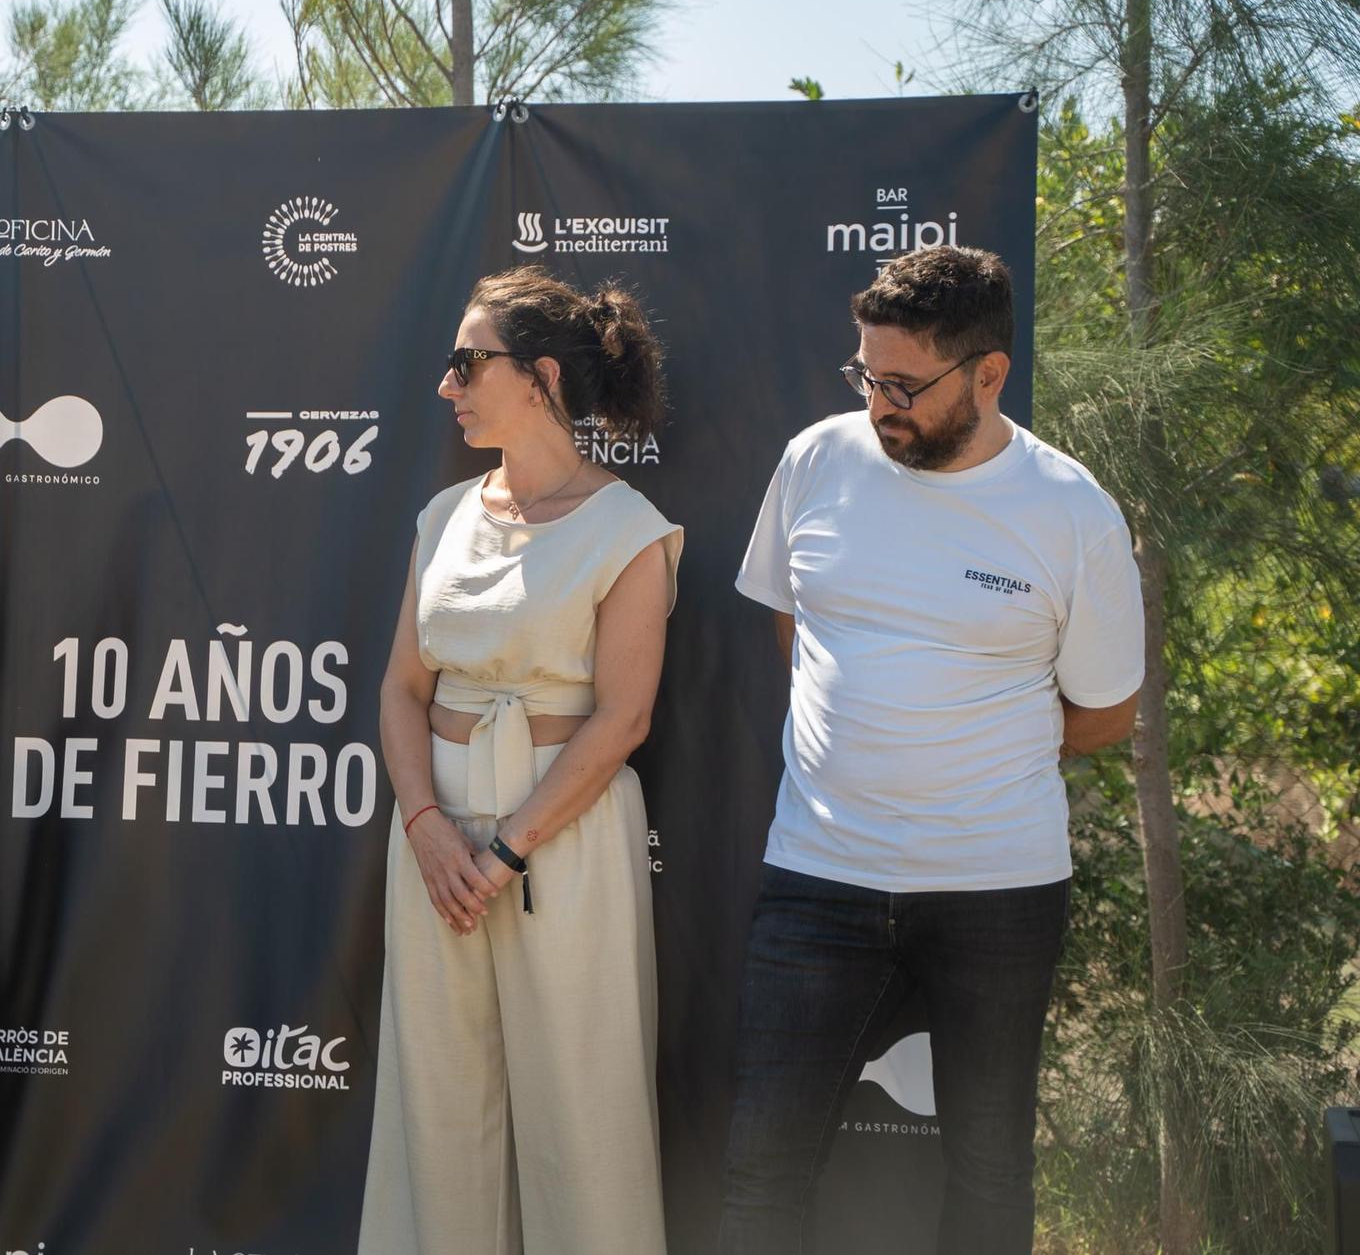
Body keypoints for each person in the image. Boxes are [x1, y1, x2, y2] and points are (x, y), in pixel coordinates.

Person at [719, 245, 1144, 1252]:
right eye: (865, 375)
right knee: (760, 1166)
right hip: (815, 876)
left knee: (988, 1167)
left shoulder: (1069, 510)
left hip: (995, 889)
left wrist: (961, 762)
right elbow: (796, 626)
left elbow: (1101, 716)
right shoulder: (813, 458)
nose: (877, 403)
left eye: (903, 384)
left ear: (988, 375)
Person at [359, 265, 682, 1255]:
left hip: (561, 845)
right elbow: (400, 690)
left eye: (467, 363)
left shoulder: (630, 528)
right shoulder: (442, 517)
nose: (445, 385)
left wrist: (506, 851)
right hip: (433, 849)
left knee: (578, 1116)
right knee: (438, 1108)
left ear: (539, 374)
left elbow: (622, 720)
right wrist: (422, 825)